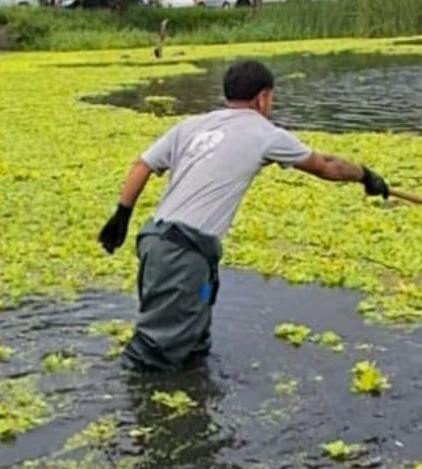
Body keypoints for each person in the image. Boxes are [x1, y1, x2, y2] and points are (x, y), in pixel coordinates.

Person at [98, 59, 390, 373]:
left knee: (193, 341)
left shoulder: (191, 125)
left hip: (162, 243)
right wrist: (365, 175)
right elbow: (326, 165)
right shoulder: (265, 133)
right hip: (181, 256)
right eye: (271, 98)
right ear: (262, 98)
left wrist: (122, 215)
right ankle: (124, 408)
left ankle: (190, 402)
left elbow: (142, 165)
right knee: (152, 354)